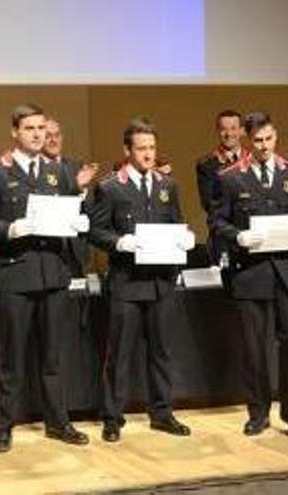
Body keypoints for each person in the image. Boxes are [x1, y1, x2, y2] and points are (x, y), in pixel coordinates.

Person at [0, 103, 90, 453]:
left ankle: (58, 421)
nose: (38, 135)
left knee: (54, 355)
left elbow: (69, 211)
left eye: (42, 128)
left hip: (54, 272)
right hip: (17, 273)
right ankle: (4, 426)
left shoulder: (59, 171)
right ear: (15, 132)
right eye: (30, 129)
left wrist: (77, 222)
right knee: (13, 357)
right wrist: (9, 229)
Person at [86, 118, 196, 442]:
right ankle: (112, 417)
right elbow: (95, 230)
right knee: (120, 354)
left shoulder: (167, 186)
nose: (148, 154)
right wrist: (119, 242)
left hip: (161, 282)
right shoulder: (110, 187)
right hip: (127, 283)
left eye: (152, 148)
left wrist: (186, 237)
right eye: (141, 148)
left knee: (162, 351)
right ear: (127, 151)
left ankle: (162, 413)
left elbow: (177, 222)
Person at [212, 112, 288, 440]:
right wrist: (237, 236)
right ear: (247, 140)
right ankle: (258, 412)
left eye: (268, 139)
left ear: (275, 137)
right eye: (257, 141)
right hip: (251, 273)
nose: (263, 147)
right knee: (253, 347)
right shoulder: (230, 177)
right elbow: (217, 222)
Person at [43, 117, 99, 277]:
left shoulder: (77, 166)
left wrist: (83, 192)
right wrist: (75, 188)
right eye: (48, 136)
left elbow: (91, 210)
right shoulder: (35, 169)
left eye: (57, 135)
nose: (53, 140)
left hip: (76, 253)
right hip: (47, 253)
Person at [195, 110, 248, 263]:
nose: (229, 133)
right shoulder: (207, 165)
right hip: (222, 236)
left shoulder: (253, 160)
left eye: (233, 128)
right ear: (218, 131)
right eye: (224, 129)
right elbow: (209, 204)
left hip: (252, 233)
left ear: (242, 131)